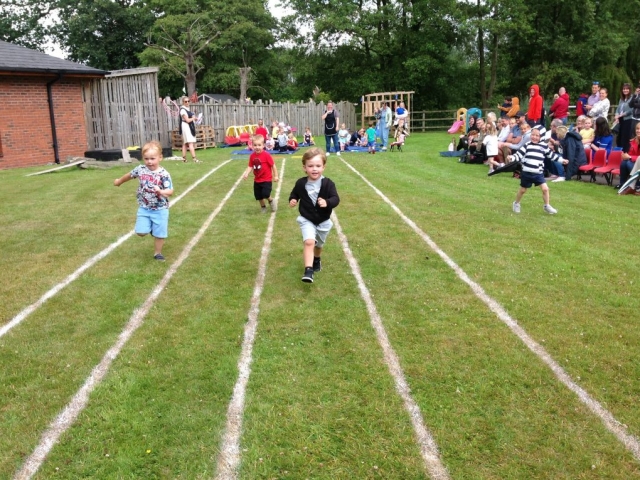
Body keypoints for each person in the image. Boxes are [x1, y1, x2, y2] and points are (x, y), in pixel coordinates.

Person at [113, 141, 174, 261]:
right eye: (146, 159)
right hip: (144, 207)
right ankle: (150, 228)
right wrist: (119, 181)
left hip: (160, 209)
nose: (149, 162)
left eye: (152, 158)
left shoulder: (164, 174)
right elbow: (129, 175)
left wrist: (161, 192)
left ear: (160, 158)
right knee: (140, 232)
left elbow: (170, 191)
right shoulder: (141, 169)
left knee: (160, 234)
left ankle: (158, 253)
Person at [289, 147, 340, 283]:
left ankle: (316, 259)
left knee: (318, 245)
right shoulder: (301, 183)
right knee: (309, 242)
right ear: (304, 167)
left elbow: (336, 199)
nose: (314, 169)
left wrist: (327, 202)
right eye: (310, 166)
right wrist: (293, 199)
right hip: (307, 219)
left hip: (323, 221)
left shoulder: (328, 184)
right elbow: (294, 193)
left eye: (318, 166)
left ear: (323, 167)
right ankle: (308, 270)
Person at [509, 128, 562, 215]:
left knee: (545, 189)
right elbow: (518, 155)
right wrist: (512, 158)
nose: (534, 137)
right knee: (522, 190)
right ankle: (516, 203)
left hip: (538, 173)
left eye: (537, 135)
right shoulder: (527, 145)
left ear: (541, 137)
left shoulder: (544, 147)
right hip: (527, 172)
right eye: (533, 135)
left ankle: (547, 206)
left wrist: (561, 160)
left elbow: (552, 156)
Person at [242, 134, 279, 213]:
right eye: (255, 145)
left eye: (259, 145)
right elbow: (250, 166)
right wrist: (246, 173)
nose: (257, 147)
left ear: (263, 145)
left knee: (266, 193)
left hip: (266, 179)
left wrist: (276, 176)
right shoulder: (252, 156)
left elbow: (273, 166)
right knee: (258, 196)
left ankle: (271, 201)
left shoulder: (266, 155)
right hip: (257, 180)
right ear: (252, 145)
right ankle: (263, 207)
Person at [617, 122, 640, 190]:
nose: (638, 130)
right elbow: (631, 153)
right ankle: (623, 184)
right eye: (637, 129)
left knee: (628, 163)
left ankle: (636, 184)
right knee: (624, 162)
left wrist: (630, 157)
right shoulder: (633, 141)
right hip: (634, 162)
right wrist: (625, 156)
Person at [179, 96, 199, 163]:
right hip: (186, 126)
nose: (187, 102)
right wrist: (193, 118)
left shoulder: (187, 109)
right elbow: (187, 120)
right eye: (185, 101)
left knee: (185, 143)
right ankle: (194, 159)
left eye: (188, 101)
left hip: (188, 126)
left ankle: (184, 159)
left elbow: (190, 118)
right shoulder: (182, 110)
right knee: (190, 142)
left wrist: (194, 118)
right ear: (183, 102)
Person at [614, 83, 633, 152]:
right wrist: (616, 115)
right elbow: (618, 109)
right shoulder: (621, 99)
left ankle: (625, 151)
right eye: (624, 89)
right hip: (620, 119)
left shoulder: (632, 98)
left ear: (630, 90)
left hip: (628, 119)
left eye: (627, 89)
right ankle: (619, 151)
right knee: (619, 136)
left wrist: (622, 115)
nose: (625, 90)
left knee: (625, 137)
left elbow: (631, 110)